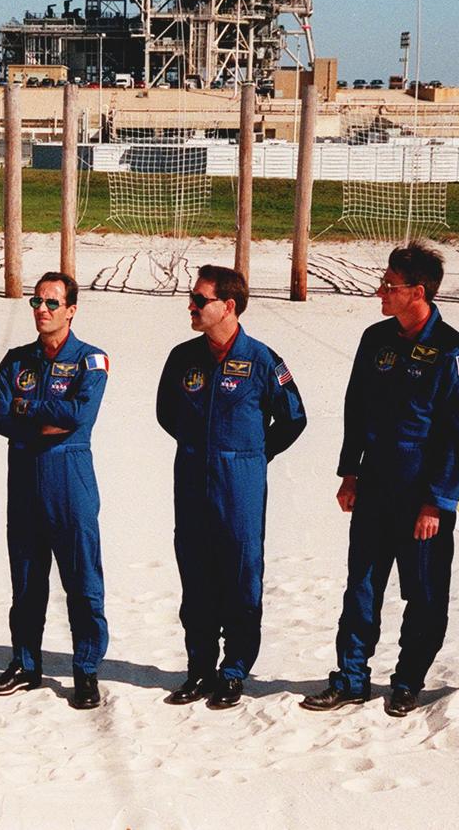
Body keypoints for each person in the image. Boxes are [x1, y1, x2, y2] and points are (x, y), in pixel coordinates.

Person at [300, 244, 459, 717]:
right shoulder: (375, 338)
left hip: (421, 495)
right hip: (375, 484)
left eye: (389, 285)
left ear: (417, 292)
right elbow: (355, 408)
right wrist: (350, 471)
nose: (380, 291)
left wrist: (436, 503)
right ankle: (351, 677)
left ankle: (408, 681)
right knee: (361, 585)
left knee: (423, 593)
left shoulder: (456, 352)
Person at [156, 265, 307, 710]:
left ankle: (234, 670)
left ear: (229, 306)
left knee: (241, 577)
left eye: (200, 300)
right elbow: (167, 413)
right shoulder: (182, 357)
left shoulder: (262, 360)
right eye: (192, 298)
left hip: (239, 485)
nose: (192, 306)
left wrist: (254, 454)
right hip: (192, 480)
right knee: (196, 577)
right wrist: (198, 447)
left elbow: (294, 418)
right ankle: (199, 668)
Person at [0, 272, 110, 710]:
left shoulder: (90, 360)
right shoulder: (17, 361)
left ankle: (86, 669)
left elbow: (79, 414)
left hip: (69, 478)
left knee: (82, 580)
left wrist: (28, 411)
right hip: (24, 480)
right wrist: (40, 416)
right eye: (37, 301)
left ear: (71, 310)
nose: (42, 309)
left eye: (52, 303)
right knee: (26, 580)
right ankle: (25, 664)